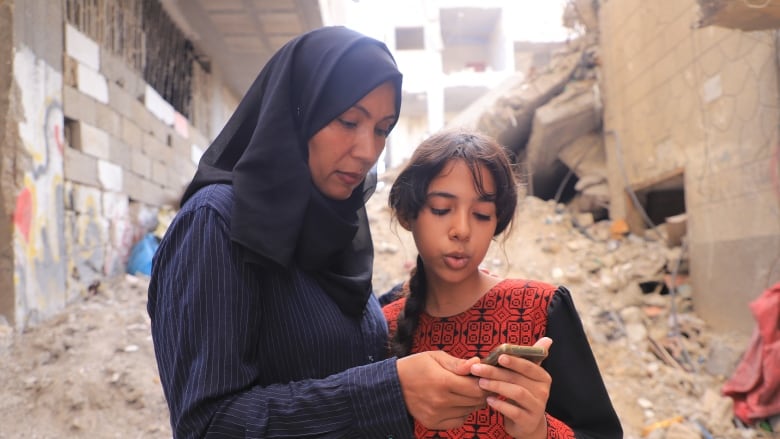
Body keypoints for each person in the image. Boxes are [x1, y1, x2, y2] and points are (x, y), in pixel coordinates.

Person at [147, 27, 489, 438]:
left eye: (382, 129)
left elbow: (323, 342)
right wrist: (389, 390)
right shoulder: (217, 223)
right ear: (297, 111)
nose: (367, 150)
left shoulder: (331, 227)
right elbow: (209, 424)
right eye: (348, 121)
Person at [382, 129, 623, 438]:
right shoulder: (384, 324)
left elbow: (602, 432)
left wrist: (540, 430)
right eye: (442, 209)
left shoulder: (539, 308)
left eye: (482, 215)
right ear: (406, 214)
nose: (462, 230)